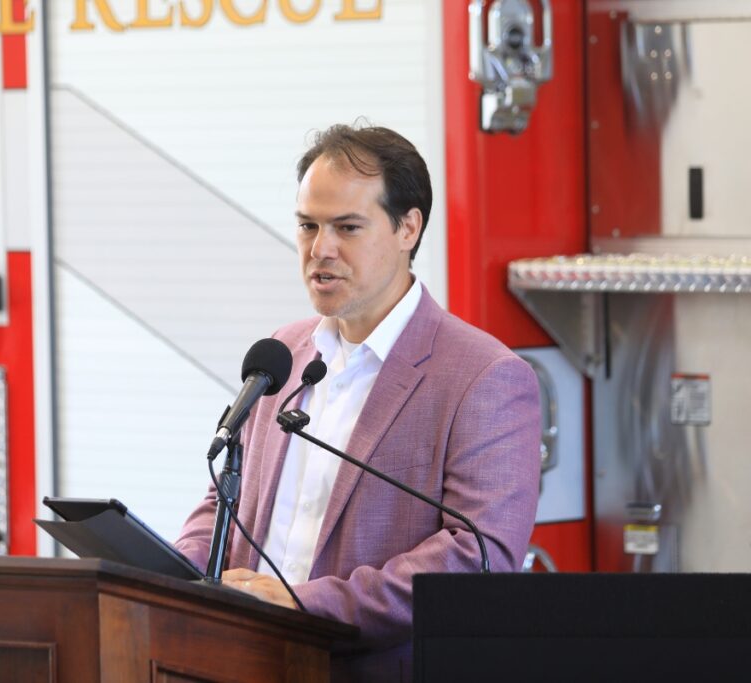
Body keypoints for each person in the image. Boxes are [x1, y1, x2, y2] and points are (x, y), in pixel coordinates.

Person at [175, 124, 541, 680]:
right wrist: (172, 570)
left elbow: (476, 561)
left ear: (407, 229)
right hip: (242, 661)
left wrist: (306, 605)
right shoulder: (284, 353)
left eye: (347, 227)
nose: (320, 249)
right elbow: (226, 495)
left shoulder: (486, 377)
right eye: (307, 226)